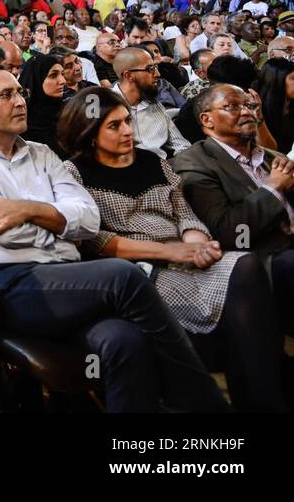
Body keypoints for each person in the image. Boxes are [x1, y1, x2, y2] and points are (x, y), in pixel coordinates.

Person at [0, 65, 227, 412]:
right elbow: (11, 234)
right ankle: (203, 402)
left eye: (19, 92)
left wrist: (30, 209)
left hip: (68, 282)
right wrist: (60, 228)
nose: (19, 101)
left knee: (125, 341)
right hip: (7, 288)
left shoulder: (42, 153)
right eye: (5, 95)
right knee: (123, 275)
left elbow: (88, 221)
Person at [58, 88, 284, 411]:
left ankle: (263, 399)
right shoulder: (75, 172)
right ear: (89, 133)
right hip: (140, 268)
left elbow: (184, 213)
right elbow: (94, 239)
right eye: (114, 126)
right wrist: (172, 253)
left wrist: (197, 244)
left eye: (127, 121)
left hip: (183, 250)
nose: (127, 131)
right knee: (240, 317)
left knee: (246, 265)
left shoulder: (153, 161)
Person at [173, 83, 294, 258]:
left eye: (250, 105)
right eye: (232, 106)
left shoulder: (271, 156)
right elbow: (230, 234)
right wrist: (273, 187)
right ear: (207, 120)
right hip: (262, 257)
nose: (247, 112)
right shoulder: (194, 163)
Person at [112, 47, 189, 159]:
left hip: (164, 167)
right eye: (150, 69)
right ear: (128, 75)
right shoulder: (103, 105)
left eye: (155, 67)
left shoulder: (155, 104)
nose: (157, 74)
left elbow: (180, 145)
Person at [18, 52, 65, 153]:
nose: (62, 80)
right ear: (36, 79)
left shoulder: (67, 111)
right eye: (53, 75)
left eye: (62, 74)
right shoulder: (21, 120)